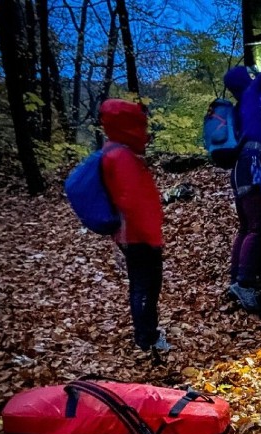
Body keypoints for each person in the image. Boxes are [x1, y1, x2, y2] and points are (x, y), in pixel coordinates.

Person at [99, 99, 169, 354]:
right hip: (138, 236)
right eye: (140, 125)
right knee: (145, 286)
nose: (144, 130)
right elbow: (131, 201)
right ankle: (146, 338)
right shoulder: (121, 156)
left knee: (145, 285)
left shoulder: (115, 151)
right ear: (127, 125)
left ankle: (147, 334)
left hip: (136, 235)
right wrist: (150, 238)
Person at [223, 55, 261, 312]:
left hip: (240, 169)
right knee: (258, 226)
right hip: (254, 166)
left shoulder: (239, 107)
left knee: (246, 226)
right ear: (245, 81)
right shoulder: (252, 94)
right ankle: (244, 284)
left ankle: (236, 279)